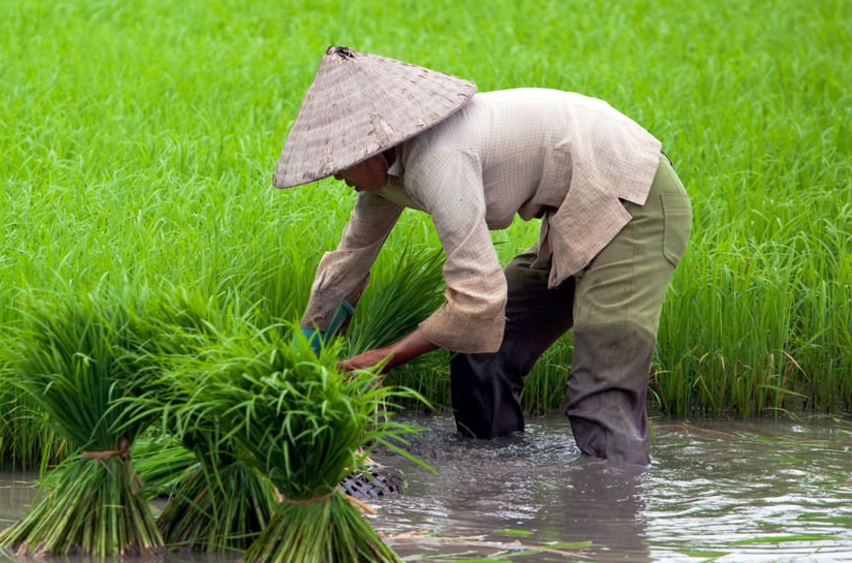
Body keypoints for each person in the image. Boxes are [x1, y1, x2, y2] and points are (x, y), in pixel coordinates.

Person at [274, 46, 692, 466]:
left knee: (599, 394)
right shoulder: (385, 176)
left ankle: (615, 511)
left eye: (340, 164)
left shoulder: (439, 160)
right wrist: (303, 360)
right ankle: (494, 481)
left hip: (634, 202)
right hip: (578, 214)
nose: (336, 177)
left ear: (371, 147)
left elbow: (478, 299)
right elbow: (348, 266)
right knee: (485, 350)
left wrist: (382, 359)